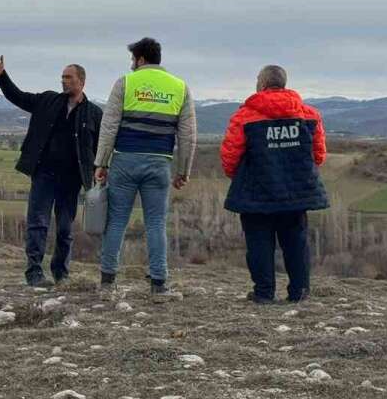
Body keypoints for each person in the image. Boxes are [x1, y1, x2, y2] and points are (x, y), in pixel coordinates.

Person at [93, 38, 196, 303]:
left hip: (124, 161)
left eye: (132, 60)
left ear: (140, 59)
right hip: (159, 163)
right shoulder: (180, 88)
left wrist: (101, 163)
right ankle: (159, 286)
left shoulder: (125, 83)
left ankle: (107, 282)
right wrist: (183, 170)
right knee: (156, 223)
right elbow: (188, 135)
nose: (131, 64)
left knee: (116, 221)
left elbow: (109, 127)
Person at [0, 54, 103, 287]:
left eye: (68, 77)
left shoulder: (94, 114)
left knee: (64, 229)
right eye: (62, 77)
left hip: (72, 180)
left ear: (81, 81)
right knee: (38, 223)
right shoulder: (48, 101)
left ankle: (61, 273)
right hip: (44, 174)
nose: (63, 81)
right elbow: (17, 96)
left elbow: (101, 146)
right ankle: (34, 273)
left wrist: (101, 169)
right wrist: (1, 76)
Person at [220, 65, 328, 304]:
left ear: (262, 84)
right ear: (284, 83)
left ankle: (264, 293)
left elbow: (230, 156)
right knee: (296, 243)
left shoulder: (244, 116)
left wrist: (240, 178)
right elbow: (318, 154)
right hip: (296, 193)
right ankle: (299, 292)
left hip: (256, 193)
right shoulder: (309, 115)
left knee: (259, 243)